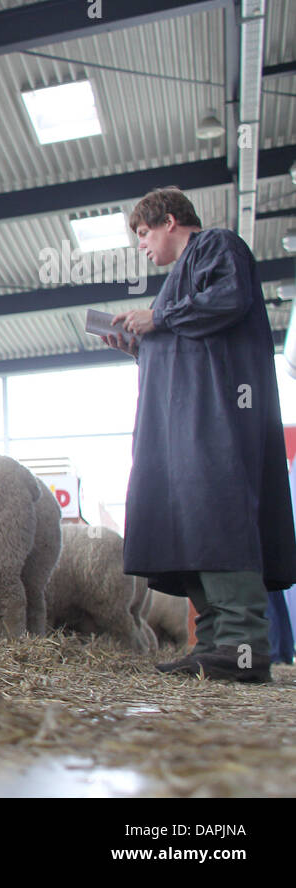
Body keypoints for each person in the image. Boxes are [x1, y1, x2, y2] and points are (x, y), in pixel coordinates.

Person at [102, 187, 296, 683]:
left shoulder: (216, 246)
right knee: (189, 524)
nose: (142, 246)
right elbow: (185, 343)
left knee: (217, 516)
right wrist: (136, 344)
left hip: (216, 421)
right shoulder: (175, 287)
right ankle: (214, 644)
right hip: (184, 426)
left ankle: (243, 649)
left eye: (144, 234)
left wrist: (158, 317)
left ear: (169, 221)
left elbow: (228, 299)